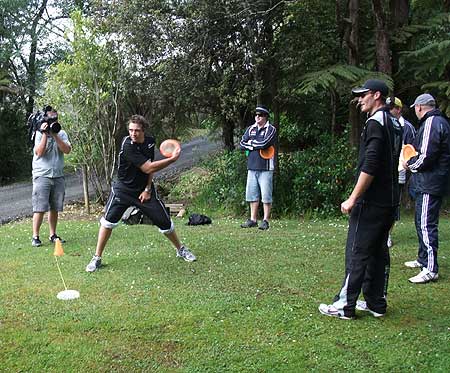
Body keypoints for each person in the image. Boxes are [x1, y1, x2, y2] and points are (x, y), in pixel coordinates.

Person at [318, 79, 402, 319]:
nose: (359, 99)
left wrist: (353, 198)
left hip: (372, 201)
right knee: (377, 252)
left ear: (376, 95)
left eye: (363, 95)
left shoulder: (376, 123)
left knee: (357, 251)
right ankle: (376, 303)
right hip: (390, 201)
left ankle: (345, 305)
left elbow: (371, 164)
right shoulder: (395, 123)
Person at [85, 114, 196, 272]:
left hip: (143, 190)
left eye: (137, 130)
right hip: (122, 190)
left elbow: (151, 168)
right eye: (130, 130)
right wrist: (172, 160)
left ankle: (180, 249)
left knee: (164, 221)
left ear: (143, 130)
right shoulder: (127, 145)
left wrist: (147, 189)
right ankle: (97, 258)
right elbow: (148, 167)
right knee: (108, 222)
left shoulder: (150, 142)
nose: (133, 133)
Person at [403, 93, 450, 284]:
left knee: (426, 224)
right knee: (421, 221)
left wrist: (409, 163)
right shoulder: (439, 122)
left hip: (430, 182)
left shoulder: (432, 123)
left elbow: (427, 155)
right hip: (431, 181)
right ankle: (423, 258)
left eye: (415, 108)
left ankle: (430, 268)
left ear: (420, 107)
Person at [31, 106, 71, 247]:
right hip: (42, 175)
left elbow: (67, 150)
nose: (53, 120)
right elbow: (39, 152)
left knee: (55, 207)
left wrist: (55, 135)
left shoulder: (62, 133)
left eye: (55, 117)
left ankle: (53, 235)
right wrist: (45, 134)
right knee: (40, 207)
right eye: (50, 118)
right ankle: (35, 236)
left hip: (58, 175)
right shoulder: (39, 133)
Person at [239, 105, 277, 230]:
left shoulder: (271, 129)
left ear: (265, 117)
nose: (257, 117)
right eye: (256, 115)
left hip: (266, 167)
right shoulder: (250, 129)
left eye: (260, 115)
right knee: (252, 194)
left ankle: (265, 220)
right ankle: (253, 219)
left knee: (266, 195)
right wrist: (253, 145)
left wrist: (251, 144)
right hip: (252, 166)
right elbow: (241, 143)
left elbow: (265, 143)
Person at [386, 97, 416, 248]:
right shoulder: (383, 124)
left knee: (393, 205)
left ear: (398, 109)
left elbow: (412, 151)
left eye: (391, 108)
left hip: (399, 173)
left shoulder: (408, 128)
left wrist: (407, 166)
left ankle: (388, 235)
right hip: (383, 172)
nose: (388, 111)